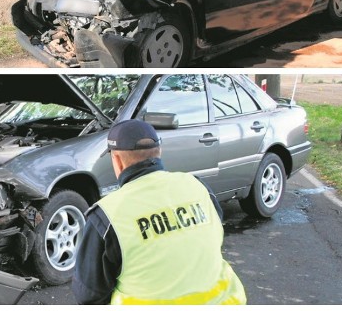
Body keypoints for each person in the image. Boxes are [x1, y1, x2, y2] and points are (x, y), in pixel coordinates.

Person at [72, 119, 247, 305]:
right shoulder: (198, 187)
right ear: (159, 152)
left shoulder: (107, 215)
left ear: (117, 160)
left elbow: (89, 295)